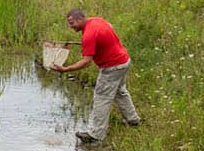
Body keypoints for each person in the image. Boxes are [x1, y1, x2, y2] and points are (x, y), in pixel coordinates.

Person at [52, 9, 141, 143]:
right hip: (124, 61)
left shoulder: (89, 36)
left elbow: (86, 62)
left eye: (72, 23)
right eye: (69, 24)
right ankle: (133, 120)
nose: (71, 26)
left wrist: (65, 69)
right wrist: (95, 43)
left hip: (112, 67)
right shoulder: (96, 21)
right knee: (120, 91)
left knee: (102, 98)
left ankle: (95, 134)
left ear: (80, 19)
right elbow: (109, 27)